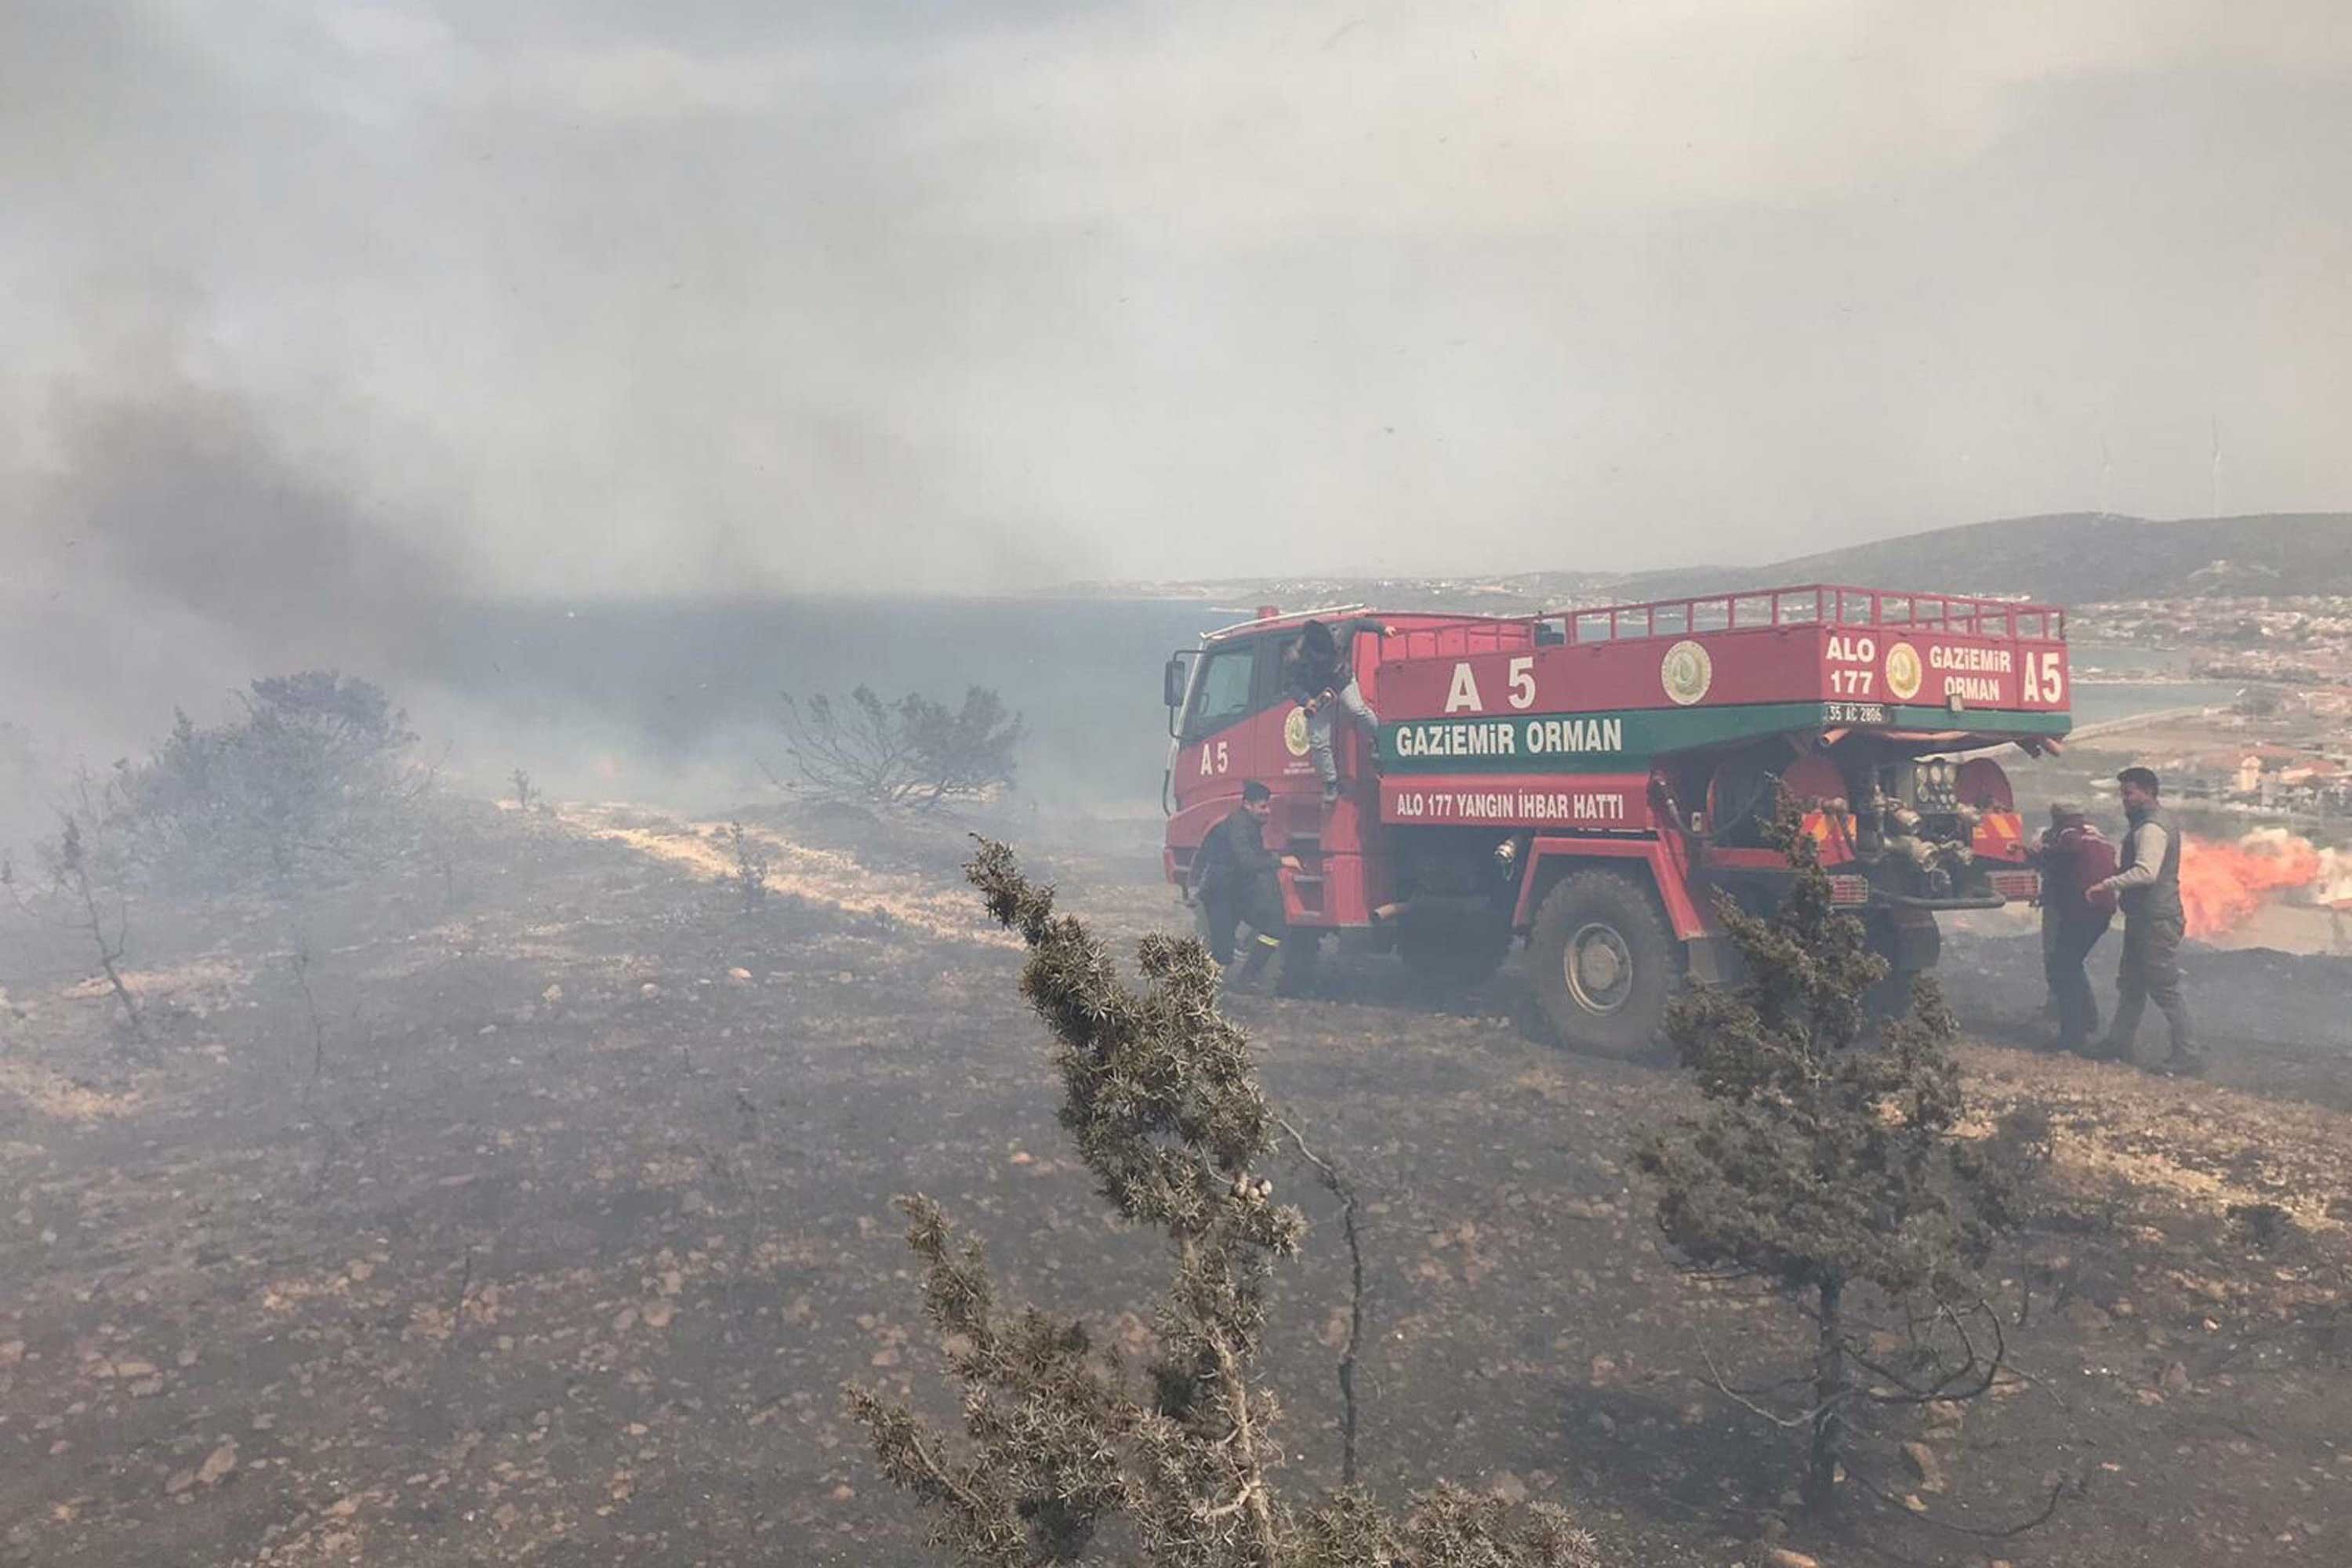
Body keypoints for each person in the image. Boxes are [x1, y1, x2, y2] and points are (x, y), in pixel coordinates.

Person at [2088, 767, 2203, 1075]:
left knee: (2164, 988)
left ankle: (2188, 1056)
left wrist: (2107, 884)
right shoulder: (2153, 822)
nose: (2125, 800)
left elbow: (2146, 872)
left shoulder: (2152, 828)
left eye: (2129, 793)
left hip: (2155, 920)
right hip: (2146, 918)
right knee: (2132, 985)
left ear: (2148, 792)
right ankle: (2118, 1044)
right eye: (2123, 793)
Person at [2028, 801, 2117, 1054]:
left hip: (2083, 910)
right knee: (2070, 964)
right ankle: (2086, 1021)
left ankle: (2073, 1034)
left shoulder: (2069, 835)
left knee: (2063, 967)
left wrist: (2035, 853)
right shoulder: (2096, 836)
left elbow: (2064, 854)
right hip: (2100, 910)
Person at [1187, 780, 1294, 978]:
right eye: (1263, 807)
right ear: (1247, 805)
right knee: (1222, 955)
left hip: (1238, 893)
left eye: (1268, 806)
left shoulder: (1249, 824)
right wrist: (1281, 861)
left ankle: (1247, 979)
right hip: (1220, 896)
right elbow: (1247, 861)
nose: (1267, 811)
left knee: (1274, 928)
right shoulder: (1238, 826)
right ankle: (1199, 992)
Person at [1286, 619, 1381, 806]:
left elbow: (1357, 623)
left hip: (1342, 681)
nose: (1324, 659)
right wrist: (1307, 701)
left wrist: (1382, 629)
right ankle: (1330, 783)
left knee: (1357, 709)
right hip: (1317, 693)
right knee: (1318, 741)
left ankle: (1378, 739)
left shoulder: (1338, 636)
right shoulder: (1294, 659)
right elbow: (1290, 685)